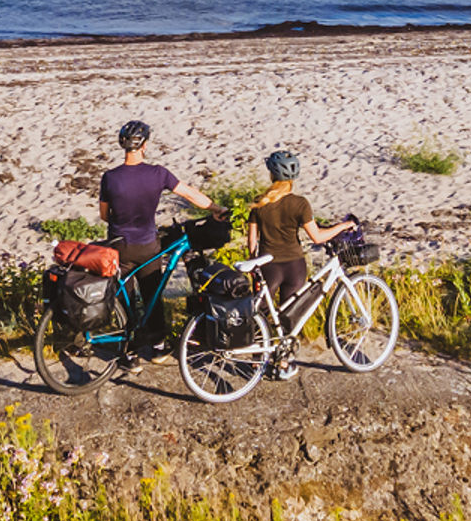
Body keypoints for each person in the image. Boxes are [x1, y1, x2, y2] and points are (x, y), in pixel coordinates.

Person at [99, 119, 224, 370]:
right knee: (152, 293)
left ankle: (128, 352)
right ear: (144, 145)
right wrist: (215, 208)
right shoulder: (158, 173)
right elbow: (189, 194)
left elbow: (104, 215)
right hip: (147, 244)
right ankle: (157, 347)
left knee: (125, 296)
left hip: (119, 246)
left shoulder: (110, 178)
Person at [246, 150, 356, 306]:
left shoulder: (259, 203)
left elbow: (251, 241)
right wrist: (343, 226)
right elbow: (317, 237)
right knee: (290, 317)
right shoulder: (300, 204)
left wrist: (252, 262)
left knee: (260, 315)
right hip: (294, 265)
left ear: (272, 175)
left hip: (267, 265)